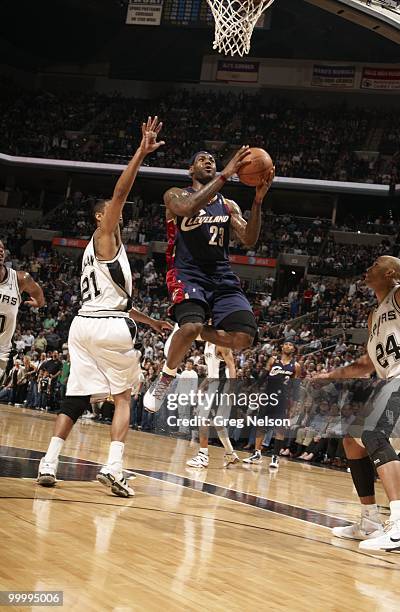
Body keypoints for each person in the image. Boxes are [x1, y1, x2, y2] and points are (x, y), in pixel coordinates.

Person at [38, 116, 172, 498]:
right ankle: (114, 466)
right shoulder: (105, 235)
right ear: (100, 217)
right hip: (107, 327)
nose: (119, 213)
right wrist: (141, 152)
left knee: (76, 398)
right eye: (112, 211)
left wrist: (150, 322)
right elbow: (120, 192)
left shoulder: (96, 256)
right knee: (124, 396)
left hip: (83, 325)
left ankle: (49, 461)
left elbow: (118, 302)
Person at [144, 148, 275, 412]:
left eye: (212, 160)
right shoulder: (176, 195)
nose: (208, 162)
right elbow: (188, 207)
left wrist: (258, 200)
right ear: (191, 170)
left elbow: (249, 240)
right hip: (186, 271)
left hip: (221, 275)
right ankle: (167, 375)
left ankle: (181, 335)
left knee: (244, 338)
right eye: (201, 159)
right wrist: (226, 174)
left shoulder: (228, 205)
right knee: (191, 327)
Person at [317, 256, 400, 551]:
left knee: (371, 432)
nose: (368, 266)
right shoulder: (374, 316)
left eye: (376, 263)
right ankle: (369, 520)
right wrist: (329, 375)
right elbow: (366, 363)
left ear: (391, 273)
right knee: (354, 440)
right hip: (391, 382)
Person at [243, 342, 301, 470]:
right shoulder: (273, 360)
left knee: (279, 428)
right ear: (281, 347)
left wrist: (295, 405)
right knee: (261, 425)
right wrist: (256, 391)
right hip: (268, 396)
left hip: (283, 399)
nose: (288, 346)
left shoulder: (296, 366)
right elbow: (263, 377)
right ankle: (257, 453)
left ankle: (275, 456)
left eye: (291, 345)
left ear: (294, 349)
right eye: (285, 344)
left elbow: (296, 388)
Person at [187, 340, 240, 468]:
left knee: (202, 419)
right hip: (214, 384)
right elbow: (212, 374)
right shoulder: (207, 345)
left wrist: (231, 390)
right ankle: (230, 453)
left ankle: (203, 455)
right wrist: (201, 386)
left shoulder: (221, 344)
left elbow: (232, 366)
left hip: (221, 385)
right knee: (217, 422)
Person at [0, 240, 45, 383]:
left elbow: (38, 295)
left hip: (1, 350)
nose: (1, 251)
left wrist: (39, 302)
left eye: (2, 248)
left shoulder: (20, 278)